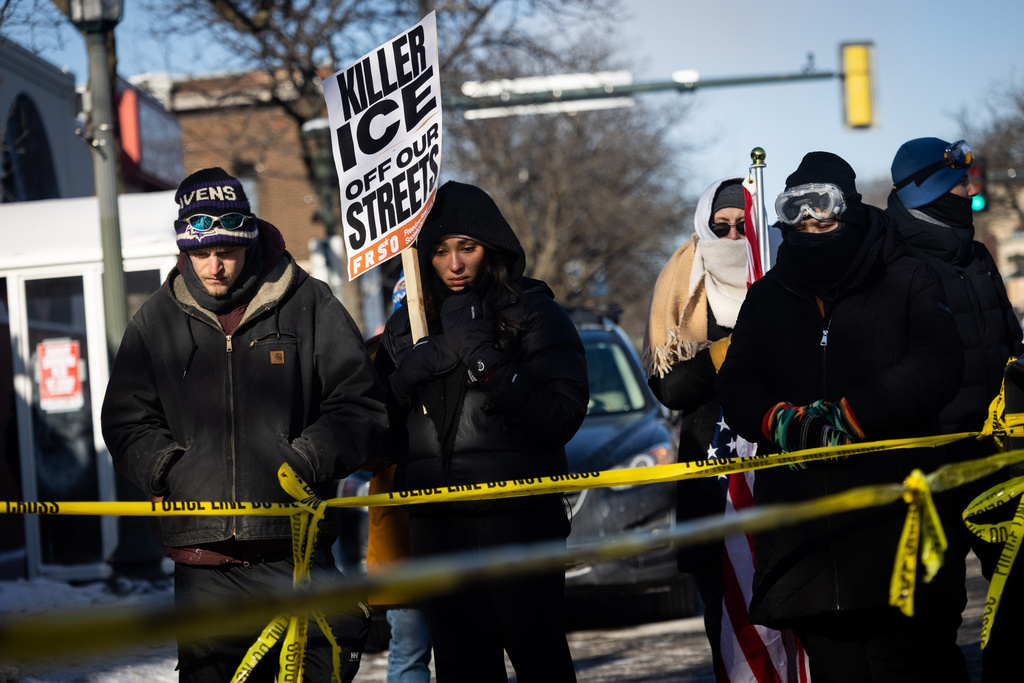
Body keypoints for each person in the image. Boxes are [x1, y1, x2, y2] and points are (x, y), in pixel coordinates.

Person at [100, 167, 389, 683]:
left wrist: (302, 461)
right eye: (201, 251)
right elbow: (125, 420)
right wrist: (170, 468)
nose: (214, 266)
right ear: (184, 248)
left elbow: (359, 404)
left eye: (227, 251)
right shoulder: (155, 320)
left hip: (295, 550)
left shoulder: (310, 302)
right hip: (201, 557)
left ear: (249, 238)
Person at [716, 152, 967, 682]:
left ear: (849, 209)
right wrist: (778, 421)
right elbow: (736, 382)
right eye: (797, 213)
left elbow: (938, 363)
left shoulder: (907, 278)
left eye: (823, 211)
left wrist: (852, 415)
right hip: (805, 542)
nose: (810, 224)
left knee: (914, 665)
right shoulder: (767, 297)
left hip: (895, 525)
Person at [374, 180, 588, 682]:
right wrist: (401, 381)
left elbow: (560, 418)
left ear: (490, 249)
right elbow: (373, 439)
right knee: (462, 668)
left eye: (466, 248)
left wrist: (487, 361)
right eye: (441, 250)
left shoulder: (536, 313)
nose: (454, 264)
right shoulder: (407, 326)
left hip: (518, 518)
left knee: (540, 660)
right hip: (436, 525)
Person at [888, 137, 1024, 682]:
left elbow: (1010, 345)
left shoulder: (977, 252)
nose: (972, 191)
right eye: (960, 183)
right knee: (933, 611)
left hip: (998, 460)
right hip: (928, 465)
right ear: (930, 189)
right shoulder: (891, 260)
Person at [642, 176, 756, 677]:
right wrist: (724, 352)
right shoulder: (683, 283)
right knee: (723, 611)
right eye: (721, 226)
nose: (733, 237)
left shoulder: (781, 272)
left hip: (775, 468)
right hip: (710, 471)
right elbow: (668, 388)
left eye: (742, 226)